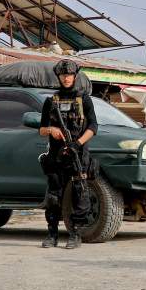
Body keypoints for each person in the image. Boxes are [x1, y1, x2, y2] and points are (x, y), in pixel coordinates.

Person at [38, 60, 98, 249]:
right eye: (63, 75)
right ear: (59, 77)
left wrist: (77, 143)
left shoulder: (84, 99)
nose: (66, 78)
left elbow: (93, 127)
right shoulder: (51, 101)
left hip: (78, 154)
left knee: (79, 195)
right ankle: (52, 234)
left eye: (69, 75)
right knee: (54, 196)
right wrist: (51, 130)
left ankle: (75, 234)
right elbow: (41, 129)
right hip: (56, 155)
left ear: (74, 76)